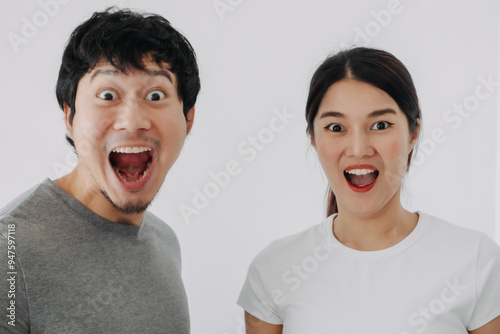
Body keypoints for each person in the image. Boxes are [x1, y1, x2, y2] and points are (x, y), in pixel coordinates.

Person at [237, 47, 500, 333]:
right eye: (336, 127)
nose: (359, 149)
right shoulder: (275, 269)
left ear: (413, 133)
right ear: (313, 138)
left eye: (380, 124)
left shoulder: (475, 260)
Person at [0, 7, 200, 333]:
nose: (133, 120)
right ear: (70, 116)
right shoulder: (9, 250)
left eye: (155, 94)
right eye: (107, 95)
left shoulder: (165, 241)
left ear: (188, 118)